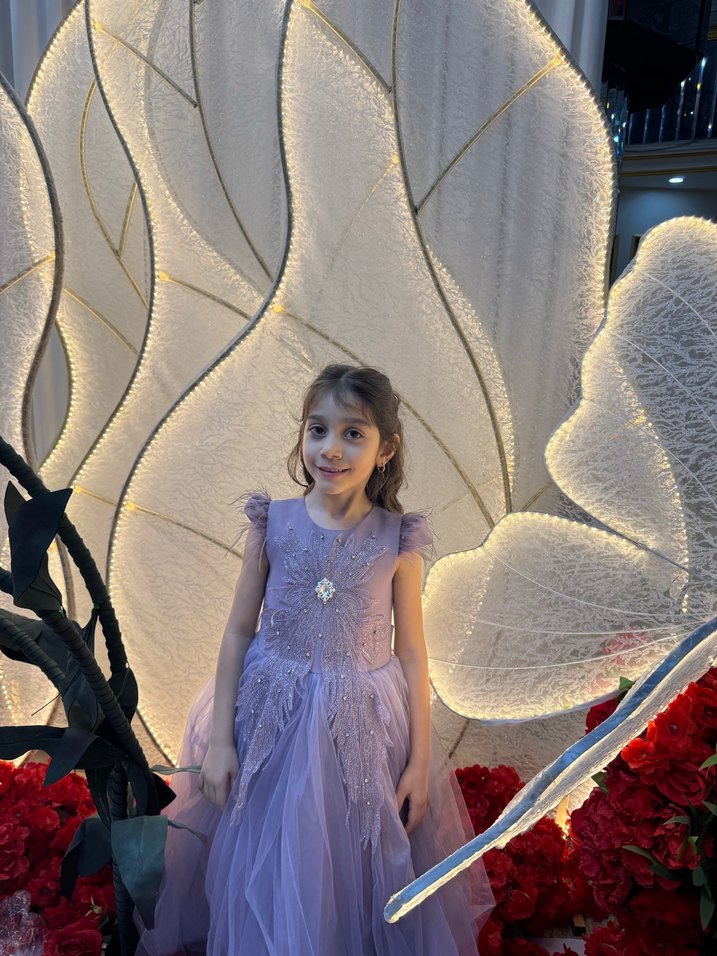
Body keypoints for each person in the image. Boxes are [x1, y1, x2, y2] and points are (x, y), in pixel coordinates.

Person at [137, 364, 493, 955]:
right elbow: (237, 633)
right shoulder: (272, 524)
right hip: (268, 720)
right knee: (269, 857)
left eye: (353, 433)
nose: (331, 448)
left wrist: (420, 759)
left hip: (363, 727)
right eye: (318, 429)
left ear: (386, 450)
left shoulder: (398, 540)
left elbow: (411, 652)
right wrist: (220, 742)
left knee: (351, 863)